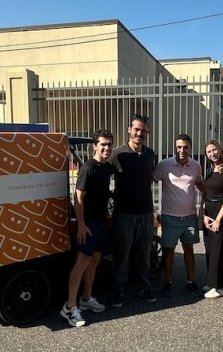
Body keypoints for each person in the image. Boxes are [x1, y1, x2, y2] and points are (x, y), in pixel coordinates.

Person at [60, 129, 115, 327]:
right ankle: (70, 307)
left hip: (101, 223)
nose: (107, 148)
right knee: (82, 263)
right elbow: (78, 197)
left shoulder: (106, 168)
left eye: (109, 144)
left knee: (94, 261)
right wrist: (81, 224)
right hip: (89, 224)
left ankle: (86, 298)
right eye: (103, 144)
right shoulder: (88, 168)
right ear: (95, 146)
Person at [108, 114, 157, 306]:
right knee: (121, 255)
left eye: (143, 130)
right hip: (124, 214)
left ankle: (145, 287)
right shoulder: (117, 154)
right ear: (129, 130)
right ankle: (117, 291)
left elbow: (148, 177)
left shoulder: (150, 154)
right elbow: (103, 176)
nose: (139, 133)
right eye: (136, 129)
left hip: (145, 212)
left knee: (144, 254)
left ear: (147, 132)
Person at [151, 134, 204, 297]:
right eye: (179, 147)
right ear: (175, 147)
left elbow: (200, 184)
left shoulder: (195, 165)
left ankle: (190, 281)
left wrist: (213, 199)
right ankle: (168, 282)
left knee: (189, 249)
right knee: (169, 251)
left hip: (189, 217)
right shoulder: (164, 165)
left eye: (185, 147)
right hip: (170, 217)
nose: (182, 150)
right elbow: (148, 181)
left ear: (190, 148)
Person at [201, 139, 223, 299]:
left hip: (221, 211)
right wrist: (204, 214)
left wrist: (218, 219)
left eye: (214, 150)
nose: (212, 153)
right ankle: (212, 282)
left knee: (219, 250)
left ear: (220, 149)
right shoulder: (211, 168)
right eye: (209, 152)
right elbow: (206, 193)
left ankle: (221, 286)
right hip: (209, 211)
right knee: (210, 249)